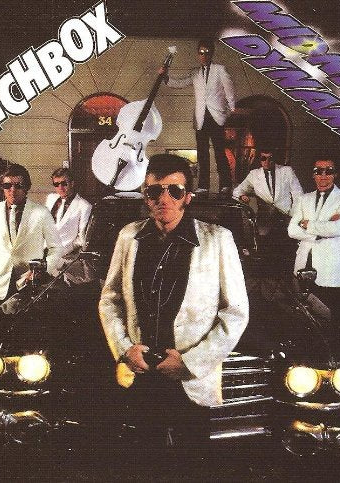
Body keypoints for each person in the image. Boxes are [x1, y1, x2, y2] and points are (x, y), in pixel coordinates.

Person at [99, 153, 249, 447]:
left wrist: (190, 363)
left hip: (189, 378)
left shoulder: (218, 239)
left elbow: (236, 312)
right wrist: (125, 349)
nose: (163, 199)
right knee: (142, 453)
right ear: (146, 197)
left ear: (187, 197)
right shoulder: (129, 236)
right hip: (140, 372)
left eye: (175, 191)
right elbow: (111, 299)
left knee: (191, 458)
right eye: (155, 191)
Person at [288, 159, 340, 327]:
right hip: (303, 265)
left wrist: (307, 224)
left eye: (329, 171)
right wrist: (320, 232)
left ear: (335, 174)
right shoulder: (303, 199)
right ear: (313, 175)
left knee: (328, 318)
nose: (323, 176)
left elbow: (337, 229)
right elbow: (292, 231)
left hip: (329, 267)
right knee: (302, 319)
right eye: (318, 171)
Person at [162, 39, 236, 193]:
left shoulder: (219, 69)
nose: (203, 55)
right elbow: (181, 83)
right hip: (201, 118)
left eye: (206, 52)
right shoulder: (195, 72)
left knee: (220, 152)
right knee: (202, 154)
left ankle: (226, 184)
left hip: (216, 117)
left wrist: (231, 109)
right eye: (201, 52)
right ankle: (203, 186)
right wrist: (165, 77)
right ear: (198, 54)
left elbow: (229, 88)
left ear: (211, 53)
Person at [0, 164, 63, 300]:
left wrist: (41, 270)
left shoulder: (41, 213)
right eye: (7, 186)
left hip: (29, 283)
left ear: (26, 187)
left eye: (18, 185)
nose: (12, 190)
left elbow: (56, 248)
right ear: (2, 187)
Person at [232, 148, 303, 215]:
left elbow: (298, 193)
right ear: (260, 160)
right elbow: (237, 191)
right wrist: (242, 196)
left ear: (274, 159)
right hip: (264, 216)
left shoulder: (287, 171)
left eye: (270, 158)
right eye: (263, 158)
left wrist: (296, 213)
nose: (267, 161)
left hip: (285, 215)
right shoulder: (254, 174)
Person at [45, 167, 92, 257]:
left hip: (63, 253)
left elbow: (81, 238)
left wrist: (66, 250)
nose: (60, 188)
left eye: (64, 183)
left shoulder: (84, 206)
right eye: (56, 184)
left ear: (72, 183)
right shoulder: (51, 198)